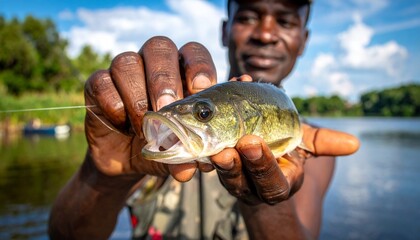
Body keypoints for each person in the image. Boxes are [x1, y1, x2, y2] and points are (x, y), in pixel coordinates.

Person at [48, 0, 360, 239]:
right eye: (248, 16)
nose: (265, 34)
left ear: (303, 41)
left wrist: (261, 200)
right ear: (225, 31)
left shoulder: (310, 147)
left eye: (285, 21)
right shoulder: (158, 122)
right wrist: (105, 175)